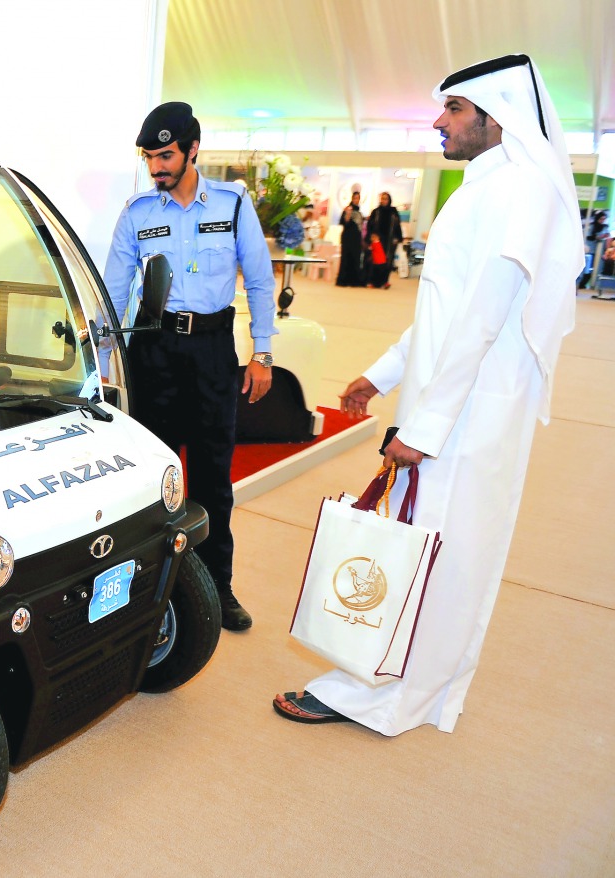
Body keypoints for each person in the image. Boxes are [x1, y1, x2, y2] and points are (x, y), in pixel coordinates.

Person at [273, 54, 583, 734]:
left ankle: (385, 695)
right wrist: (381, 376)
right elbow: (443, 309)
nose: (439, 123)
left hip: (469, 413)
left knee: (439, 558)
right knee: (433, 552)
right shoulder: (485, 183)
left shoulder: (520, 190)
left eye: (454, 110)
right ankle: (410, 690)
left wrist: (427, 426)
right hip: (453, 403)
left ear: (495, 117)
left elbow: (482, 319)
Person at [102, 101, 276, 631]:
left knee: (212, 476)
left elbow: (262, 279)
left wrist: (263, 352)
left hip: (212, 353)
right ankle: (143, 587)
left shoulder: (233, 203)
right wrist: (106, 359)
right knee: (150, 476)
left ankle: (215, 586)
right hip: (152, 351)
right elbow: (113, 289)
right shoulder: (137, 213)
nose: (156, 167)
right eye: (150, 157)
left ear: (193, 149)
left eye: (167, 155)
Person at [366, 192, 404, 289]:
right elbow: (370, 225)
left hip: (390, 240)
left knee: (387, 261)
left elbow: (397, 225)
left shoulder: (393, 211)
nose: (384, 200)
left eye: (386, 198)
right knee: (376, 261)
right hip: (378, 240)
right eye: (382, 198)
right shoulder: (376, 211)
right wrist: (372, 236)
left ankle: (384, 282)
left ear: (389, 200)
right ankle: (374, 282)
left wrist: (398, 237)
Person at [335, 190, 366, 286]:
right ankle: (343, 280)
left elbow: (360, 226)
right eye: (355, 198)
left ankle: (353, 280)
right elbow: (343, 222)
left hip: (356, 238)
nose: (356, 200)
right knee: (346, 257)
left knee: (355, 258)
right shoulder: (348, 209)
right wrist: (348, 214)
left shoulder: (359, 212)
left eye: (358, 198)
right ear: (352, 198)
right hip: (348, 238)